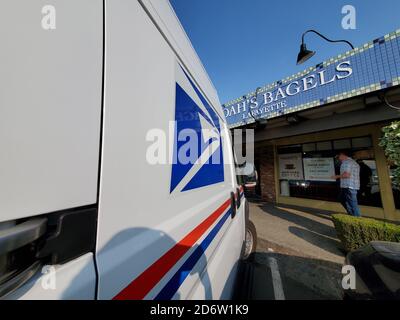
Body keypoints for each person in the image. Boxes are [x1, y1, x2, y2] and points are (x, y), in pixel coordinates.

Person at [332, 151, 361, 217]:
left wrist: (337, 176)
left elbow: (346, 175)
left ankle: (356, 218)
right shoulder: (352, 162)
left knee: (352, 204)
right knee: (342, 199)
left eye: (338, 156)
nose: (338, 158)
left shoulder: (346, 162)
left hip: (349, 186)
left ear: (342, 155)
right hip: (350, 186)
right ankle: (351, 214)